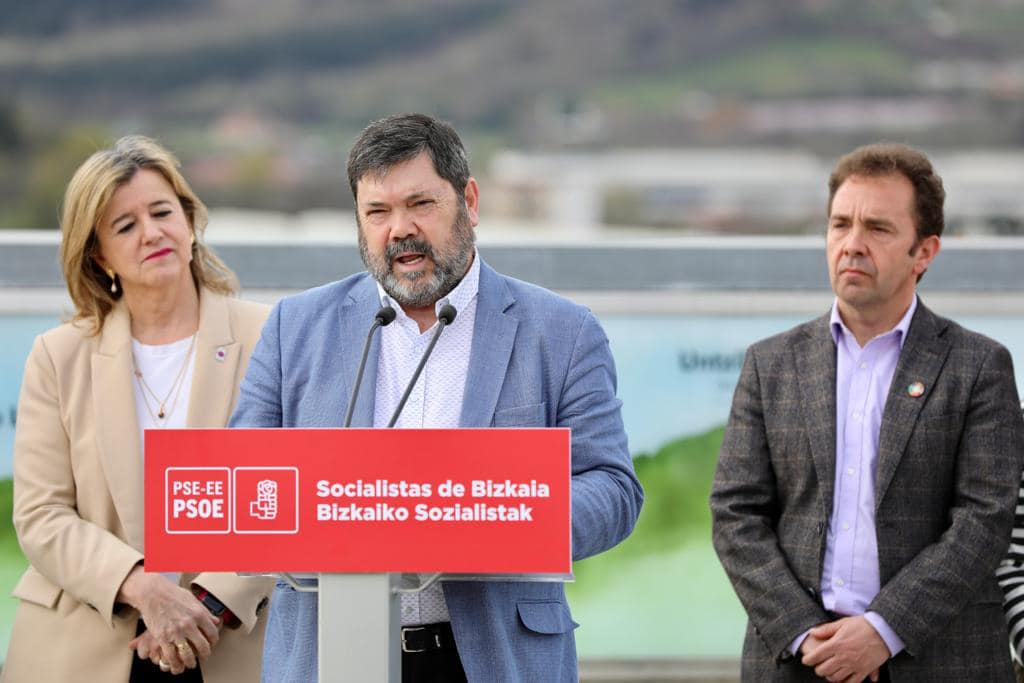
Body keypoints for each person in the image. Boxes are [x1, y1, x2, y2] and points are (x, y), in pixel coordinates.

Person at [229, 112, 643, 682]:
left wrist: (493, 521)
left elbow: (614, 490)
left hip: (494, 659)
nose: (399, 229)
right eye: (377, 212)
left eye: (420, 204)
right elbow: (243, 479)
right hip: (332, 653)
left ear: (468, 201)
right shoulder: (294, 326)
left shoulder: (562, 331)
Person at [710, 142, 1024, 681]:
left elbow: (984, 521)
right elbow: (736, 514)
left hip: (939, 661)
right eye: (840, 225)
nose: (852, 244)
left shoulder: (978, 365)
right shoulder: (771, 364)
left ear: (924, 252)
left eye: (878, 229)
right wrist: (807, 635)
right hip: (796, 659)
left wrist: (882, 630)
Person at [4, 136, 275, 682]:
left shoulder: (270, 335)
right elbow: (40, 513)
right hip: (87, 644)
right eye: (125, 226)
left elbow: (288, 494)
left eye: (161, 212)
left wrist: (207, 605)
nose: (152, 232)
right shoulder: (58, 356)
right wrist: (143, 586)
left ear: (189, 220)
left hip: (231, 644)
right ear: (98, 253)